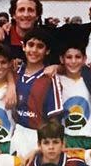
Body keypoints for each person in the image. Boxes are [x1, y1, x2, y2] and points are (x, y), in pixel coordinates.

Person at [11, 28, 63, 157]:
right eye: (30, 45)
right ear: (23, 46)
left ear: (47, 51)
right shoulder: (15, 71)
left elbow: (55, 119)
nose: (34, 50)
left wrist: (46, 144)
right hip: (17, 132)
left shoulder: (50, 77)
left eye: (40, 46)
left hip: (38, 136)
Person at [9, 120, 91, 166]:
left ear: (63, 144)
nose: (51, 147)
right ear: (39, 145)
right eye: (46, 143)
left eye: (55, 142)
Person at [57, 42, 91, 148]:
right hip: (67, 138)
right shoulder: (57, 80)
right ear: (62, 59)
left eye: (78, 57)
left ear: (84, 59)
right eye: (69, 57)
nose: (73, 61)